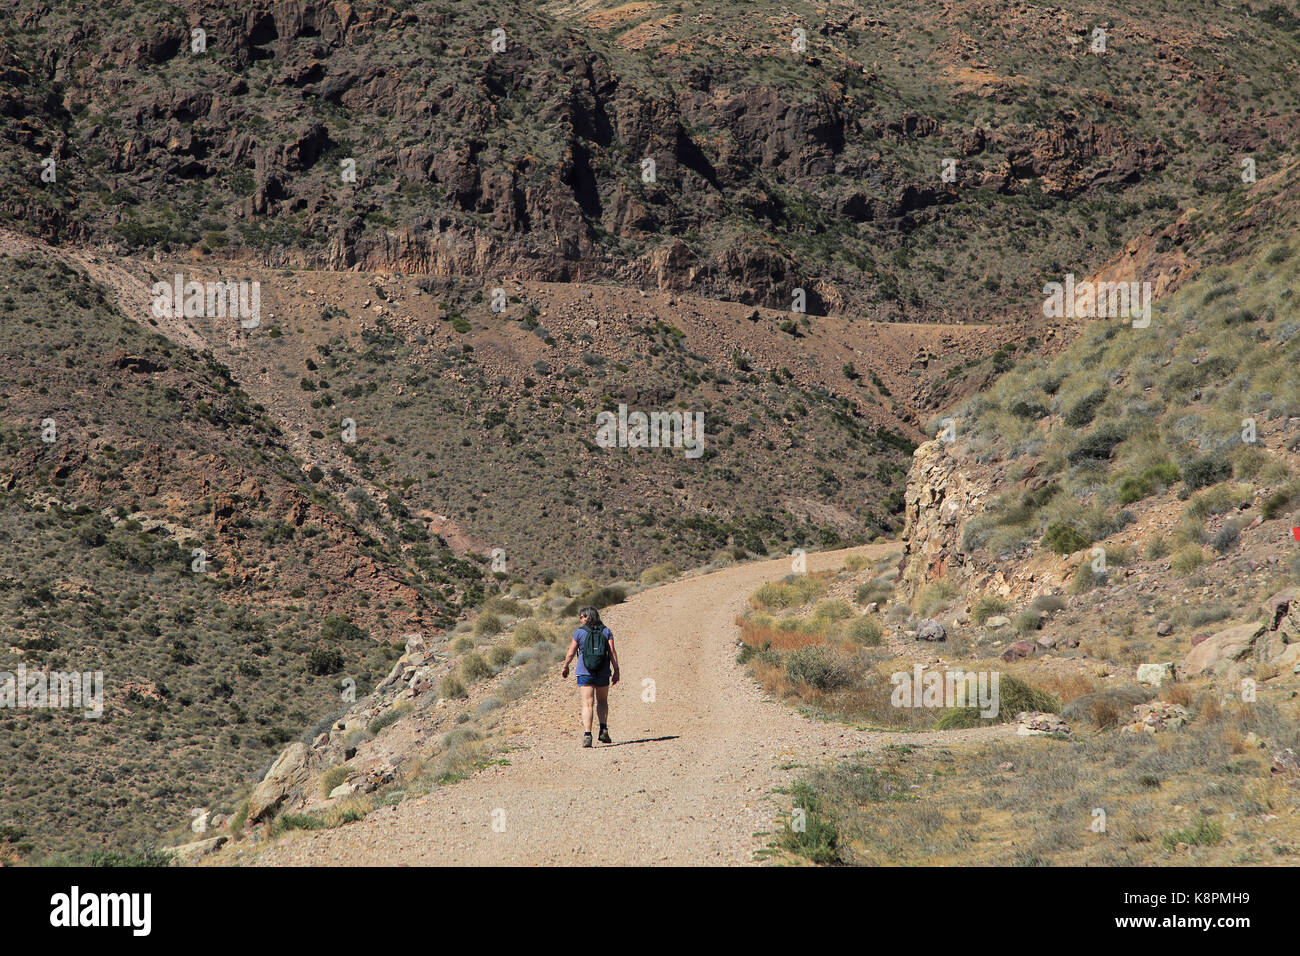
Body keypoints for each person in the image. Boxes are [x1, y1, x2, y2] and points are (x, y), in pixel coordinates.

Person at [561, 606, 619, 747]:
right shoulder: (606, 631)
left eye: (582, 616)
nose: (580, 619)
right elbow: (612, 652)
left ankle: (587, 735)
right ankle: (603, 729)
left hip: (584, 672)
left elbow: (570, 653)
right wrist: (616, 669)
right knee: (602, 702)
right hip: (603, 671)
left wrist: (565, 666)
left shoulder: (579, 633)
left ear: (588, 617)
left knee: (587, 703)